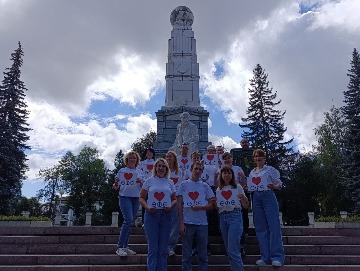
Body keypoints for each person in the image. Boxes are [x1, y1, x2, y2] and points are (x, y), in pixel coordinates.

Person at [139, 158, 177, 271]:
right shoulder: (149, 181)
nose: (161, 168)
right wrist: (146, 207)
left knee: (163, 249)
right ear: (155, 168)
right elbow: (141, 197)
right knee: (153, 248)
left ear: (166, 169)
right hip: (152, 215)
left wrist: (170, 205)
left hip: (166, 215)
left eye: (163, 166)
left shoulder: (170, 182)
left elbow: (174, 199)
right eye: (159, 166)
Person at [178, 162, 216, 271]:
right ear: (191, 169)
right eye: (196, 169)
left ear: (202, 171)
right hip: (187, 222)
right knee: (186, 254)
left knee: (203, 253)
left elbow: (212, 204)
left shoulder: (205, 185)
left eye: (200, 169)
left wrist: (201, 207)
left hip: (202, 223)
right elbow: (179, 205)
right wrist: (181, 223)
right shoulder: (183, 184)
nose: (198, 171)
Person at [250, 149, 285, 267]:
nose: (258, 158)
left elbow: (279, 185)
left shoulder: (270, 170)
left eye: (260, 156)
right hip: (256, 197)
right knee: (260, 228)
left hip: (268, 195)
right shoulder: (252, 172)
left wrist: (274, 186)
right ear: (253, 158)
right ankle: (265, 257)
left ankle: (277, 256)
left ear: (264, 158)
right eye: (256, 156)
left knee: (273, 226)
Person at [217, 166, 249, 271]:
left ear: (232, 175)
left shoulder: (237, 187)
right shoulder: (219, 189)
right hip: (223, 217)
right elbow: (217, 206)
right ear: (221, 175)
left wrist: (244, 198)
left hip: (235, 216)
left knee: (233, 249)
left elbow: (246, 206)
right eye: (224, 173)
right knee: (229, 250)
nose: (226, 175)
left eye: (229, 173)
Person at [113, 151, 144, 257]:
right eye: (130, 158)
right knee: (128, 220)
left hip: (135, 198)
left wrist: (140, 182)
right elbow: (116, 187)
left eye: (134, 158)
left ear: (137, 160)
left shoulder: (140, 172)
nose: (132, 160)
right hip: (124, 196)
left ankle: (125, 246)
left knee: (130, 222)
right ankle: (120, 246)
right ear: (127, 160)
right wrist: (116, 183)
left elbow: (144, 187)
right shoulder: (122, 170)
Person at [166, 151, 183, 257]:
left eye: (170, 157)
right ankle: (163, 244)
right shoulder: (163, 171)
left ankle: (170, 246)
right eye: (167, 157)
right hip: (163, 200)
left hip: (175, 199)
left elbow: (181, 186)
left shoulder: (179, 172)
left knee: (175, 223)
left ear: (174, 159)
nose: (168, 158)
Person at [239, 138, 251, 258]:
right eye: (242, 143)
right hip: (240, 188)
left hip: (249, 187)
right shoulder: (237, 156)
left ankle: (246, 230)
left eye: (245, 143)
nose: (244, 145)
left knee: (246, 209)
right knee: (242, 210)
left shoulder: (251, 156)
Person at [137, 148, 156, 226]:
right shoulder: (142, 163)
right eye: (148, 153)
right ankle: (144, 221)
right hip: (144, 185)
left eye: (151, 153)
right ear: (145, 154)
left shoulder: (155, 163)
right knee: (144, 203)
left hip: (153, 186)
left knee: (153, 203)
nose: (149, 154)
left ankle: (153, 220)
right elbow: (138, 172)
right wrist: (142, 181)